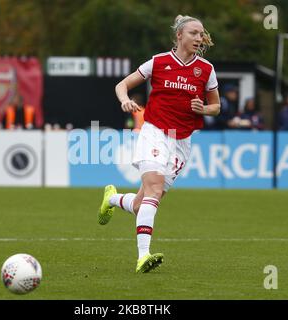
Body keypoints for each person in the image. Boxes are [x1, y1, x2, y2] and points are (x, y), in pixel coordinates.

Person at [97, 15, 220, 273]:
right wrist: (124, 100)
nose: (199, 38)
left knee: (144, 203)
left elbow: (216, 107)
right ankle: (144, 256)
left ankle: (113, 199)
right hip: (154, 132)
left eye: (201, 34)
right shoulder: (158, 62)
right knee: (153, 191)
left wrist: (204, 109)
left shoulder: (206, 69)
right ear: (179, 36)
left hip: (182, 142)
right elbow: (122, 85)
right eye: (193, 33)